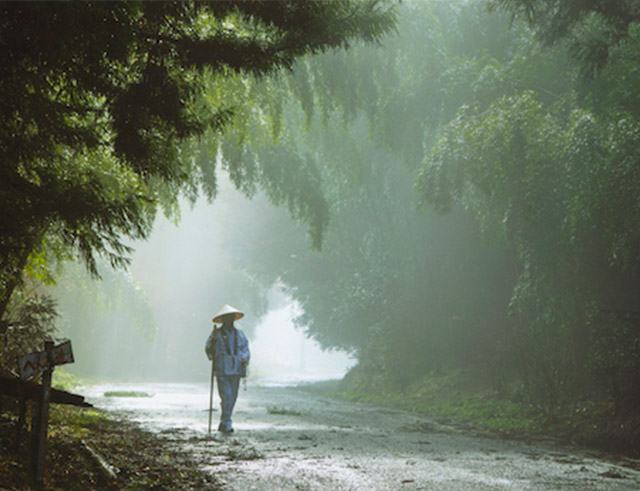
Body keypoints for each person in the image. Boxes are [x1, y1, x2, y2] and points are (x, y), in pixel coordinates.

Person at [205, 304, 250, 433]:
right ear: (223, 319)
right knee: (227, 396)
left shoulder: (240, 334)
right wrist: (213, 350)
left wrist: (244, 358)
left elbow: (246, 350)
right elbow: (208, 348)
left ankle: (225, 421)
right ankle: (227, 422)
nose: (229, 320)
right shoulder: (216, 334)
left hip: (236, 369)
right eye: (227, 318)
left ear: (234, 319)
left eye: (231, 318)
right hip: (222, 369)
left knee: (233, 397)